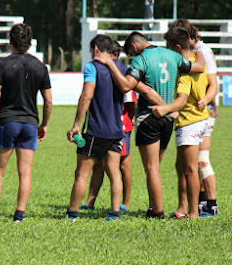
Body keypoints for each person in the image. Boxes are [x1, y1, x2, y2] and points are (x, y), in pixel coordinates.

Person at [93, 31, 204, 219]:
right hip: (167, 118)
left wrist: (110, 63)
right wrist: (199, 52)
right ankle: (153, 207)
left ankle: (158, 212)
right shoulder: (173, 55)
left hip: (149, 117)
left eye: (132, 54)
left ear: (134, 48)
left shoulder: (141, 60)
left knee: (151, 169)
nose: (133, 57)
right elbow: (198, 67)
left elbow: (126, 86)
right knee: (156, 167)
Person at [0, 23, 52, 223]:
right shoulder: (40, 66)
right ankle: (19, 216)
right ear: (29, 43)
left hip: (7, 122)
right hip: (30, 124)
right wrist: (44, 124)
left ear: (10, 41)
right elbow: (48, 101)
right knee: (25, 173)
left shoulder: (2, 65)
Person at [66, 34, 126, 222]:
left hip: (95, 130)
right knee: (114, 173)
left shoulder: (92, 67)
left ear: (97, 49)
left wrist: (76, 124)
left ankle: (72, 215)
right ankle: (114, 213)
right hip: (117, 130)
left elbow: (87, 95)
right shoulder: (123, 68)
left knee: (82, 174)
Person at [151, 26, 209, 219]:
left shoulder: (185, 73)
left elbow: (182, 99)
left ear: (176, 48)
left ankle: (193, 213)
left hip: (189, 121)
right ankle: (184, 209)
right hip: (200, 120)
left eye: (168, 47)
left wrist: (166, 109)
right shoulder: (196, 59)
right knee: (183, 167)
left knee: (190, 170)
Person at [80, 41, 137, 213]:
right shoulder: (104, 70)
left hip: (121, 126)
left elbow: (131, 101)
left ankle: (124, 204)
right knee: (98, 165)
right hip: (105, 126)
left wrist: (129, 119)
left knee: (122, 165)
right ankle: (90, 202)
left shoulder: (123, 73)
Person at [170, 19, 219, 217]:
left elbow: (213, 83)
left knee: (200, 161)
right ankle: (196, 204)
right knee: (186, 164)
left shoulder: (201, 52)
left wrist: (205, 100)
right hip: (197, 113)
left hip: (199, 113)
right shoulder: (196, 53)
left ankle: (209, 205)